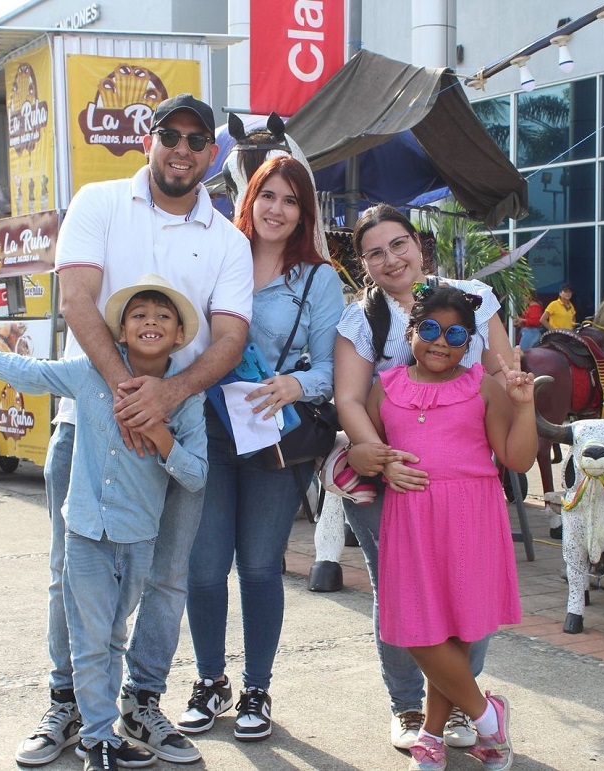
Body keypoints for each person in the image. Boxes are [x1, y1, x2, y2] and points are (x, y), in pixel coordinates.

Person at [15, 94, 253, 768]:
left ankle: (141, 703)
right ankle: (67, 701)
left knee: (167, 576)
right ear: (147, 142)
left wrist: (168, 395)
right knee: (70, 571)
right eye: (168, 135)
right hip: (87, 426)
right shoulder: (97, 203)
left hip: (178, 432)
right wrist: (127, 393)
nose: (181, 149)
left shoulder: (227, 238)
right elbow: (77, 301)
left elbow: (230, 337)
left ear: (210, 154)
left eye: (195, 139)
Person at [0, 277, 208, 771]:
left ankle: (105, 727)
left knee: (115, 635)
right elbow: (30, 373)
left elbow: (195, 474)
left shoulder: (186, 400)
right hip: (85, 531)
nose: (150, 322)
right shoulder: (87, 373)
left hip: (137, 537)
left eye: (163, 317)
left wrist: (160, 434)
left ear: (180, 334)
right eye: (138, 315)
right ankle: (97, 736)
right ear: (120, 332)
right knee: (88, 635)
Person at [333, 204, 513, 753]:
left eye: (399, 243)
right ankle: (410, 708)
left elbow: (503, 370)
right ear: (363, 264)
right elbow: (349, 397)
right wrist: (381, 457)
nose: (391, 258)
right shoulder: (360, 318)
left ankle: (461, 707)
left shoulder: (472, 300)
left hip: (463, 482)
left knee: (464, 597)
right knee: (402, 599)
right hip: (390, 482)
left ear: (419, 243)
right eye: (375, 252)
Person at [179, 156, 345, 742]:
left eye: (291, 200)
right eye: (268, 196)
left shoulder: (318, 278)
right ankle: (208, 681)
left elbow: (331, 367)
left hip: (275, 436)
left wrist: (297, 384)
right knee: (202, 567)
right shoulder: (219, 256)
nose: (277, 209)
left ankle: (256, 686)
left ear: (305, 213)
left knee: (257, 566)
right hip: (211, 429)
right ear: (249, 199)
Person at [366, 284, 536, 771]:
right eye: (431, 330)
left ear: (470, 342)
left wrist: (523, 405)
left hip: (471, 518)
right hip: (411, 520)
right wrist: (379, 464)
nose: (441, 342)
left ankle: (432, 735)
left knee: (456, 628)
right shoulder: (387, 386)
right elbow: (368, 451)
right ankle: (488, 717)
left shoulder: (483, 385)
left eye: (456, 333)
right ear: (412, 331)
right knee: (416, 627)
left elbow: (517, 458)